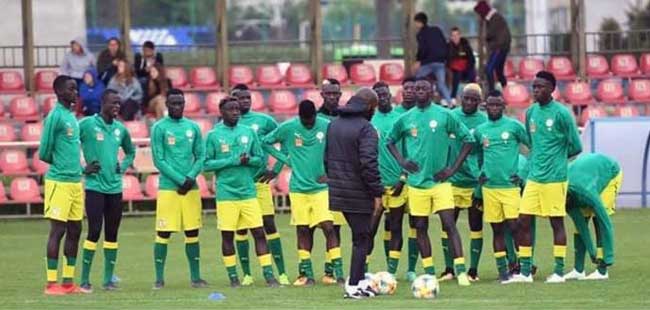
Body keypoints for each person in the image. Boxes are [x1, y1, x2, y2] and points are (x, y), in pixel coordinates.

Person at [387, 79, 474, 287]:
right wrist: (402, 161)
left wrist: (452, 168)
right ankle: (429, 272)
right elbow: (389, 140)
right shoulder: (406, 118)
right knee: (420, 226)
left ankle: (461, 271)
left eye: (424, 88)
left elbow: (468, 140)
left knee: (449, 224)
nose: (420, 92)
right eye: (416, 89)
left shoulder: (445, 115)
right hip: (417, 184)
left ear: (432, 91)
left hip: (440, 184)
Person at [505, 71, 582, 284]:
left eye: (540, 87)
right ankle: (526, 272)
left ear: (552, 89)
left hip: (555, 179)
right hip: (534, 178)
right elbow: (532, 143)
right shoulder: (530, 113)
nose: (536, 90)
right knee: (523, 221)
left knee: (556, 223)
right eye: (534, 86)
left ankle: (558, 271)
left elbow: (576, 146)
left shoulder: (562, 114)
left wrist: (556, 160)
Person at [262, 100, 345, 287]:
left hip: (321, 188)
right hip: (299, 189)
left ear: (316, 115)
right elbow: (265, 142)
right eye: (305, 120)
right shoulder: (289, 127)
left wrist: (331, 172)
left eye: (311, 119)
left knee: (329, 227)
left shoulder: (326, 126)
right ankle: (306, 274)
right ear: (300, 116)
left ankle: (338, 273)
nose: (309, 123)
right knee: (303, 229)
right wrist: (285, 159)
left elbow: (340, 148)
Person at [204, 96, 279, 288]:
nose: (236, 112)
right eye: (231, 109)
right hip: (226, 194)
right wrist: (232, 160)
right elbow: (206, 164)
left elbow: (260, 158)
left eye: (237, 109)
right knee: (228, 236)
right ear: (222, 112)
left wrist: (249, 161)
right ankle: (233, 278)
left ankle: (269, 276)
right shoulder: (213, 135)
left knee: (259, 233)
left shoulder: (248, 132)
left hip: (248, 192)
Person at [326, 88, 384, 299]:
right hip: (359, 192)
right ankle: (353, 287)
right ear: (369, 106)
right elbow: (368, 164)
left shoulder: (333, 125)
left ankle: (359, 281)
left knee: (362, 236)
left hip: (339, 190)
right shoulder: (366, 128)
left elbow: (326, 159)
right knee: (362, 238)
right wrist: (377, 193)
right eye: (374, 108)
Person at [230, 84, 289, 286]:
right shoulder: (227, 125)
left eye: (248, 97)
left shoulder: (264, 120)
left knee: (269, 225)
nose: (245, 101)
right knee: (241, 230)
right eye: (240, 98)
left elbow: (284, 141)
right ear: (233, 100)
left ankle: (281, 273)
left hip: (260, 183)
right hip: (239, 185)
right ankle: (247, 274)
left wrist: (277, 168)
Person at [78, 89, 135, 292]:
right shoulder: (86, 124)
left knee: (112, 233)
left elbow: (131, 151)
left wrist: (124, 165)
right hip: (94, 187)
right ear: (102, 103)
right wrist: (81, 168)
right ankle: (84, 280)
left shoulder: (120, 129)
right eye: (113, 103)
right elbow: (68, 144)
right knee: (94, 231)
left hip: (114, 188)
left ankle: (108, 279)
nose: (116, 107)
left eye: (118, 103)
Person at [150, 88, 207, 290]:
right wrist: (180, 179)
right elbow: (159, 159)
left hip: (190, 188)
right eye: (173, 103)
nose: (177, 107)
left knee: (192, 232)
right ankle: (159, 278)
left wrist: (190, 177)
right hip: (169, 188)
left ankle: (196, 277)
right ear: (167, 105)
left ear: (184, 104)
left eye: (180, 103)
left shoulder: (193, 127)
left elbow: (201, 156)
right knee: (163, 233)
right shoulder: (159, 127)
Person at [473, 90, 530, 283]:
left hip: (510, 187)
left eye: (498, 105)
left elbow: (535, 148)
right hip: (490, 189)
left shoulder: (514, 126)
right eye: (491, 105)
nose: (494, 108)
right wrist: (479, 173)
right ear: (485, 106)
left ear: (503, 107)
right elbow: (477, 155)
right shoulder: (481, 130)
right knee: (497, 230)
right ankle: (502, 270)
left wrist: (523, 174)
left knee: (516, 227)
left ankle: (524, 267)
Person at [40, 75, 83, 295]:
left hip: (76, 182)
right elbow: (44, 151)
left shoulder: (70, 116)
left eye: (76, 89)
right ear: (58, 92)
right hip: (59, 182)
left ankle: (68, 282)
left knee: (76, 229)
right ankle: (50, 284)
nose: (75, 92)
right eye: (70, 89)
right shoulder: (55, 116)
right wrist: (61, 167)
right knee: (58, 230)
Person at [440, 83, 488, 283]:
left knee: (475, 226)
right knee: (447, 225)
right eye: (466, 98)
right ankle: (449, 268)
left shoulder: (485, 120)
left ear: (480, 101)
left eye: (473, 99)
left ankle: (473, 270)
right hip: (452, 181)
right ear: (460, 98)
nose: (469, 102)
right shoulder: (451, 116)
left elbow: (488, 151)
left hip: (474, 182)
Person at [369, 82, 407, 277]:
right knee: (370, 229)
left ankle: (391, 271)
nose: (382, 98)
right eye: (378, 95)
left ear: (390, 95)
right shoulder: (369, 120)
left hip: (397, 182)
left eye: (384, 94)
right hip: (375, 184)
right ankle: (364, 269)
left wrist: (403, 177)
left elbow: (410, 150)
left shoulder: (400, 119)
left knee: (396, 226)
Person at [564, 153, 621, 281]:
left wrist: (608, 257)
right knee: (579, 226)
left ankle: (602, 270)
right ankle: (578, 270)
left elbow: (605, 222)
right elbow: (581, 225)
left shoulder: (585, 191)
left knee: (598, 221)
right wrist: (592, 251)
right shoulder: (562, 196)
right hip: (586, 176)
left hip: (610, 173)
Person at [317, 78, 347, 282]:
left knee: (336, 226)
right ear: (322, 94)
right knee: (319, 226)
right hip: (320, 181)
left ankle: (332, 270)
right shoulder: (314, 118)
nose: (333, 97)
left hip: (341, 179)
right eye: (329, 93)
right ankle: (307, 271)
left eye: (336, 94)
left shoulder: (345, 117)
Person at [395, 76, 420, 281]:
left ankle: (411, 268)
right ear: (402, 91)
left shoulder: (423, 114)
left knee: (416, 223)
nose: (410, 91)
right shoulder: (395, 116)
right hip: (393, 180)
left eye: (414, 88)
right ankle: (390, 269)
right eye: (407, 88)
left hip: (416, 180)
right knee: (392, 225)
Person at [412, 12, 453, 106]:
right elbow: (445, 44)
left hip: (428, 63)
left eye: (416, 22)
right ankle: (450, 103)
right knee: (441, 84)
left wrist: (419, 61)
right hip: (440, 62)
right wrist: (445, 59)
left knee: (418, 80)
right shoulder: (437, 30)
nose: (415, 25)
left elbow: (423, 49)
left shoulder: (420, 34)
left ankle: (416, 102)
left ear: (419, 22)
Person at [474, 0, 512, 92]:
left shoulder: (494, 18)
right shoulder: (495, 17)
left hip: (499, 48)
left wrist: (486, 37)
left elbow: (490, 34)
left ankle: (492, 92)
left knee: (489, 70)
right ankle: (505, 90)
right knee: (499, 72)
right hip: (502, 47)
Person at [448, 27, 476, 100]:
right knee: (456, 76)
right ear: (451, 37)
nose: (455, 37)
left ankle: (473, 95)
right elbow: (447, 60)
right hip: (455, 70)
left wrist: (468, 67)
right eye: (453, 35)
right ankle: (453, 97)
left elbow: (471, 59)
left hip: (466, 68)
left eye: (457, 35)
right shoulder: (448, 46)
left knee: (472, 74)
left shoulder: (465, 45)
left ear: (460, 35)